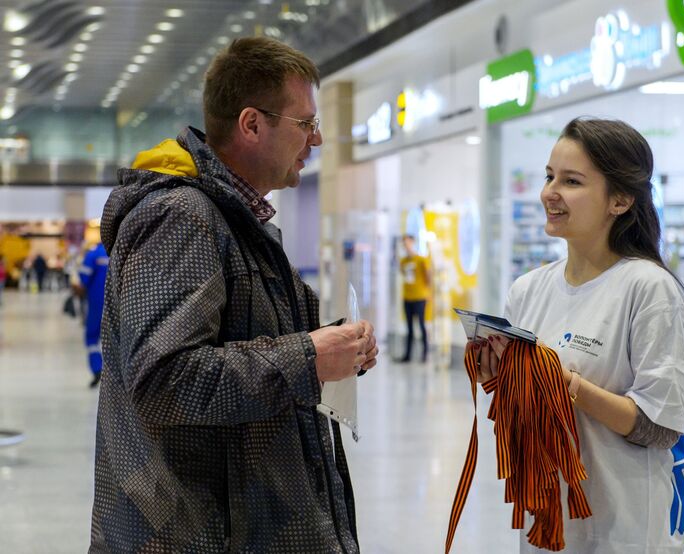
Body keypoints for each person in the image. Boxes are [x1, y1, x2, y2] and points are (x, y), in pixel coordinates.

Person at [89, 37, 378, 553]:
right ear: (251, 124)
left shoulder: (237, 221)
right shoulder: (181, 219)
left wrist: (333, 344)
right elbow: (163, 379)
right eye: (306, 123)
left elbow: (245, 339)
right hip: (194, 533)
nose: (316, 140)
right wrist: (308, 357)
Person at [473, 117, 684, 553]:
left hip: (624, 528)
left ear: (620, 199)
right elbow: (522, 407)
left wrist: (567, 385)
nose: (549, 192)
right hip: (548, 526)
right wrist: (496, 376)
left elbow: (660, 426)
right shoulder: (528, 290)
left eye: (571, 181)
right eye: (549, 176)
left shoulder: (648, 289)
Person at [77, 242, 108, 388]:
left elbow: (84, 278)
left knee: (92, 337)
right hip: (121, 305)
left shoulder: (93, 254)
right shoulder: (120, 251)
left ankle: (97, 368)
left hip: (96, 303)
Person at [398, 234, 431, 362]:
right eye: (404, 244)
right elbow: (403, 273)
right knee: (409, 327)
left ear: (412, 242)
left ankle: (425, 353)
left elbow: (428, 277)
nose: (405, 246)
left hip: (419, 297)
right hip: (407, 297)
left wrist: (426, 292)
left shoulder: (421, 260)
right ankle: (408, 355)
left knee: (421, 325)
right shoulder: (403, 261)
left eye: (407, 243)